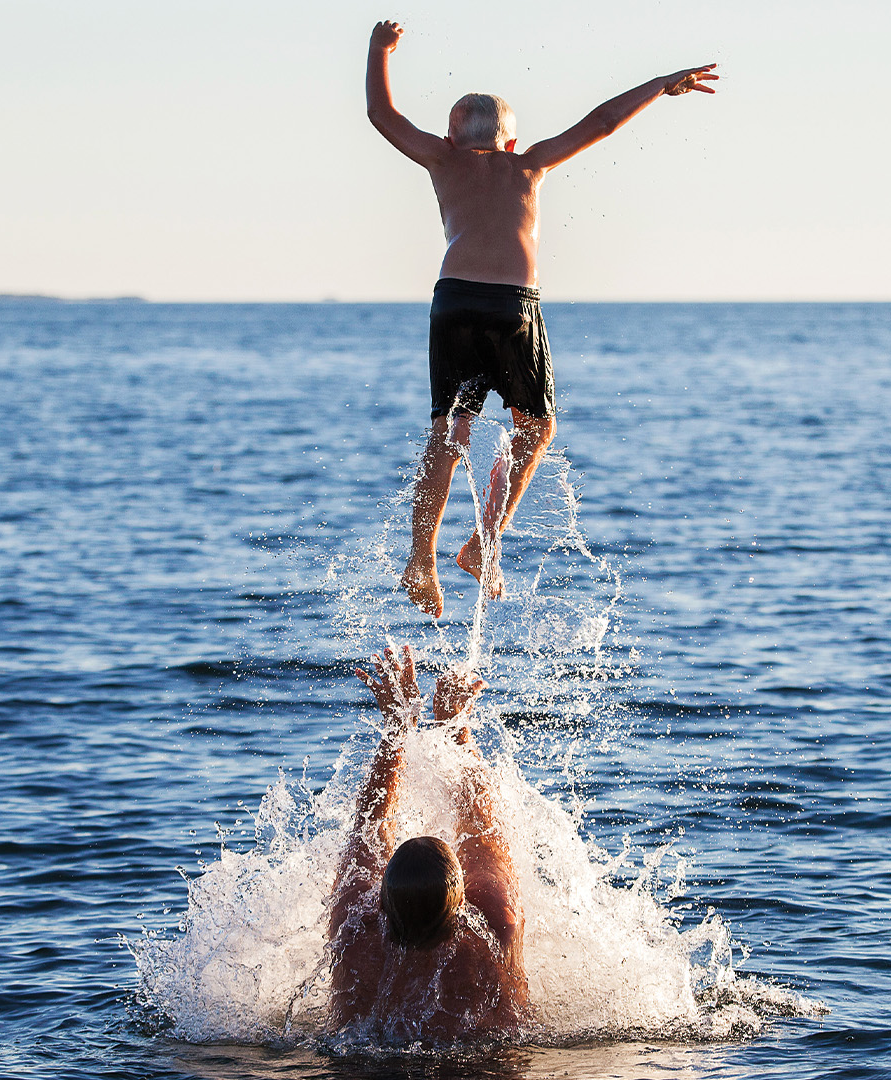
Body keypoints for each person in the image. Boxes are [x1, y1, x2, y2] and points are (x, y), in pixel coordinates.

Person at [366, 19, 719, 617]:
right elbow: (601, 123)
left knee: (447, 436)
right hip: (513, 307)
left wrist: (380, 51)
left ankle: (421, 555)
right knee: (536, 430)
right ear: (508, 143)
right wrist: (661, 84)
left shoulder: (442, 162)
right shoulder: (527, 165)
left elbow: (384, 116)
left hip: (453, 300)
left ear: (451, 139)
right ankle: (483, 542)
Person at [325, 644, 528, 1042]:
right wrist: (455, 727)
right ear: (464, 904)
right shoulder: (494, 920)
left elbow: (371, 820)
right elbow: (482, 822)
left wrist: (396, 731)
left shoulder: (355, 928)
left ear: (379, 901)